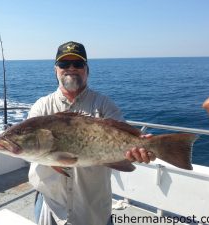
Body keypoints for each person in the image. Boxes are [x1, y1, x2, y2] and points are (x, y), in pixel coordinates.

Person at [27, 41, 155, 225]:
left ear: (87, 70)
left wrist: (137, 151)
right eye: (64, 64)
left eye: (78, 64)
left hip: (92, 206)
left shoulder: (103, 105)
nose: (71, 68)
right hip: (51, 203)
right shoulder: (42, 106)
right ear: (56, 70)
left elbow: (126, 143)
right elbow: (32, 149)